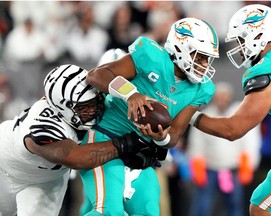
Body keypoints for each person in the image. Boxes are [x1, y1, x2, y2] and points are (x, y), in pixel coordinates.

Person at [81, 17, 219, 215]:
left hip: (140, 151)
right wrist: (131, 93)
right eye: (200, 56)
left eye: (208, 58)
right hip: (105, 138)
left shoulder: (201, 89)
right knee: (109, 212)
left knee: (149, 212)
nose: (205, 64)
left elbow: (175, 135)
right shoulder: (151, 56)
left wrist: (161, 137)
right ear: (180, 48)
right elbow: (96, 75)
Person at [0, 64, 156, 216]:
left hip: (46, 181)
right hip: (4, 165)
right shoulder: (42, 126)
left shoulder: (94, 106)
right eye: (84, 107)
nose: (93, 110)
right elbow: (79, 158)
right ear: (62, 107)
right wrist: (128, 143)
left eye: (94, 102)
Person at [189, 4, 271, 216]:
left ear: (258, 35)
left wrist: (188, 115)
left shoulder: (268, 71)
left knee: (264, 206)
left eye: (242, 40)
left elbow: (233, 128)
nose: (240, 47)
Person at [187, 81, 261, 216]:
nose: (222, 100)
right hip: (210, 168)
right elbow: (196, 144)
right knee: (202, 206)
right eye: (219, 97)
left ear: (229, 97)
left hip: (233, 169)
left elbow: (251, 142)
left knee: (234, 205)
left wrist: (248, 166)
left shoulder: (239, 114)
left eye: (224, 96)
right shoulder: (207, 115)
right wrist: (196, 166)